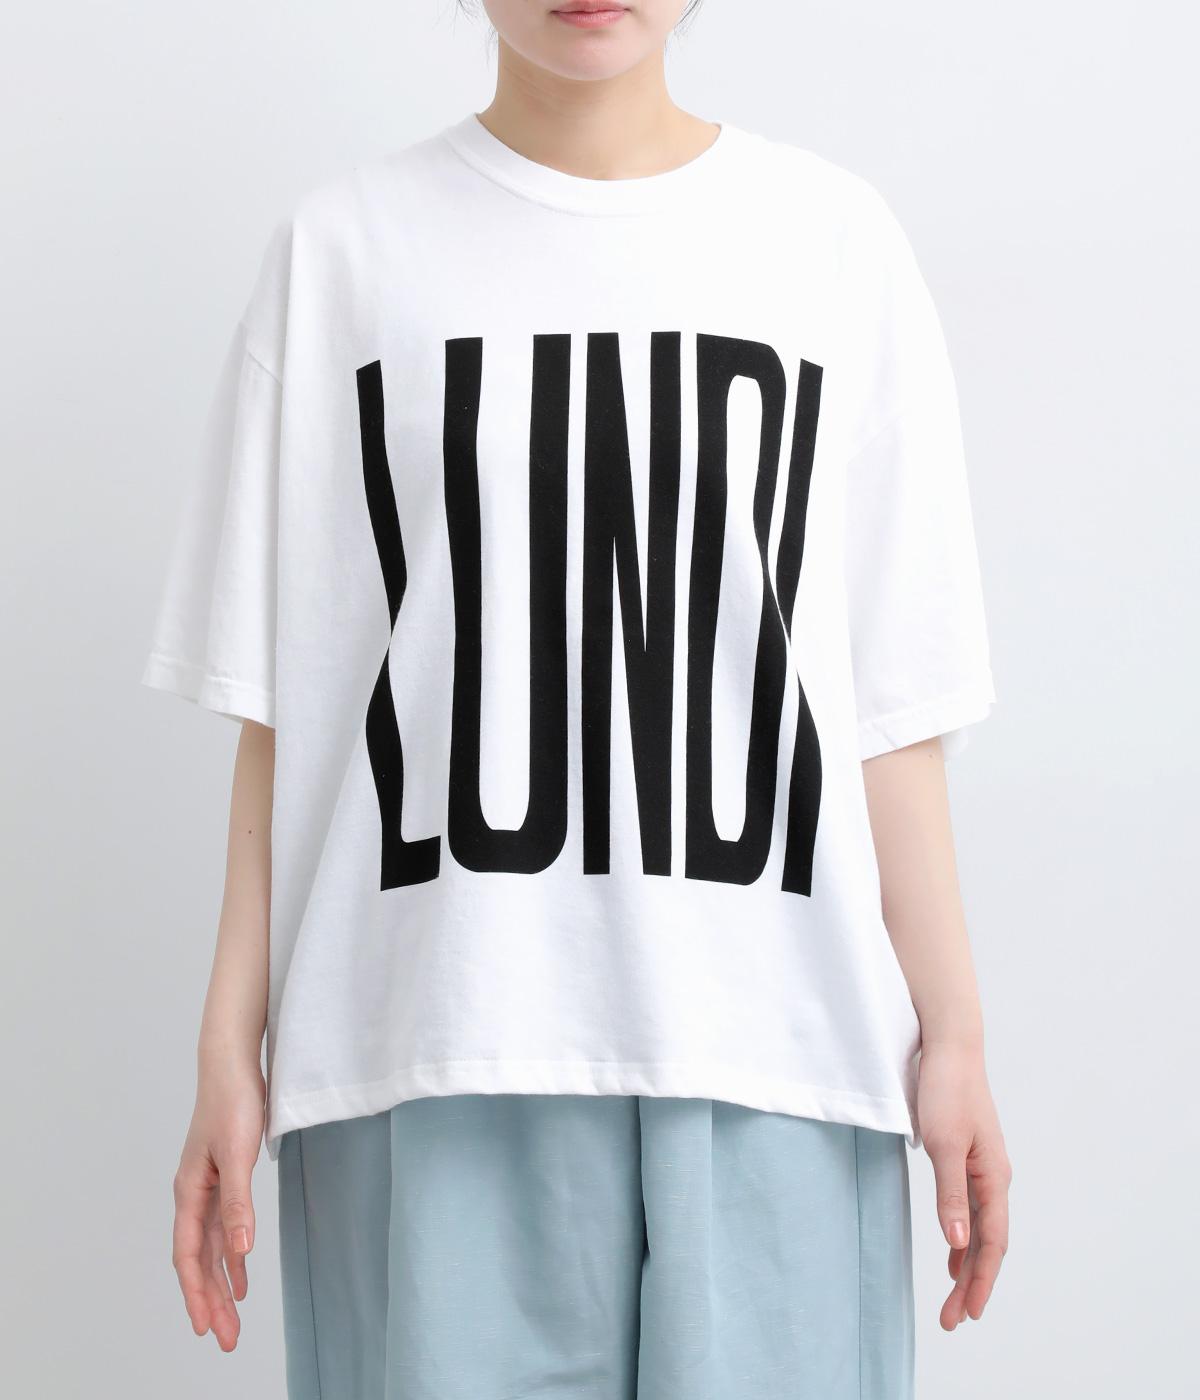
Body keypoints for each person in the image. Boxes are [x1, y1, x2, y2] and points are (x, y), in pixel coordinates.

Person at [141, 2, 1012, 1396]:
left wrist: (955, 1034)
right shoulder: (341, 255)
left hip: (779, 1059)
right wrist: (224, 1048)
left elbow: (886, 715)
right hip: (431, 1057)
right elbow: (284, 704)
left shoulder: (833, 246)